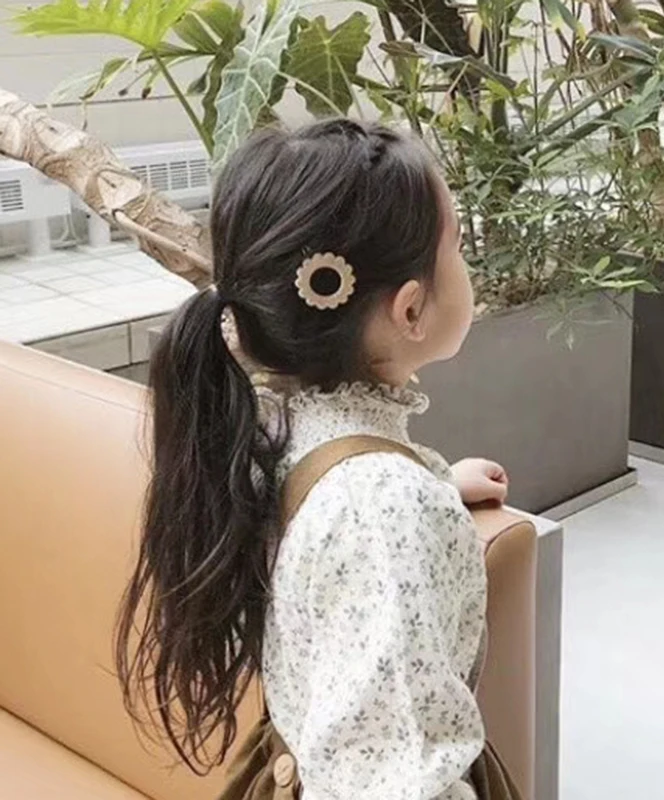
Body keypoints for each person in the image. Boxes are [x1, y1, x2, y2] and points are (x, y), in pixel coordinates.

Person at [115, 118, 510, 800]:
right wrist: (411, 498)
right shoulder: (383, 507)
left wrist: (434, 481)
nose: (468, 266)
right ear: (411, 310)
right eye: (457, 248)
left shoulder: (277, 427)